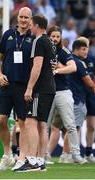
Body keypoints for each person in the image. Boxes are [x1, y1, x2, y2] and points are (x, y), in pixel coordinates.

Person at [14, 14, 56, 172]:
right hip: (50, 87)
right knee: (42, 124)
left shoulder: (38, 41)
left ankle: (32, 160)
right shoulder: (50, 42)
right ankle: (40, 161)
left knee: (31, 121)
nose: (29, 26)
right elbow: (53, 66)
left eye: (31, 24)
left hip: (40, 89)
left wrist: (30, 88)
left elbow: (37, 66)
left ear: (37, 25)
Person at [0, 7, 33, 171]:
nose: (23, 20)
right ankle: (8, 155)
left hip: (23, 86)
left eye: (26, 18)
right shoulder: (8, 34)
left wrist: (31, 87)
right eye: (21, 17)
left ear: (31, 20)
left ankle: (21, 158)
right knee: (0, 120)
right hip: (6, 84)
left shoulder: (34, 37)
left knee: (22, 123)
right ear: (17, 18)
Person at [47, 26, 87, 164]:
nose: (55, 39)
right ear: (48, 36)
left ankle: (76, 155)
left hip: (62, 91)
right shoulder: (42, 49)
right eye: (53, 36)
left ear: (60, 37)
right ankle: (42, 155)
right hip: (46, 91)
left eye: (57, 36)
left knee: (71, 124)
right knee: (44, 125)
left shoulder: (63, 51)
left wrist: (58, 70)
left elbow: (73, 67)